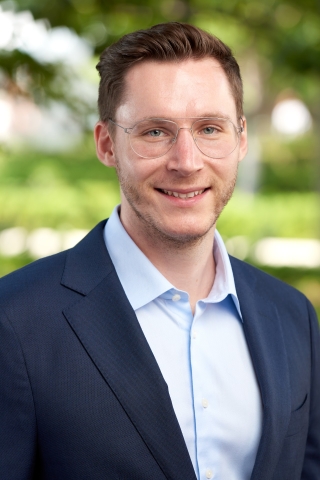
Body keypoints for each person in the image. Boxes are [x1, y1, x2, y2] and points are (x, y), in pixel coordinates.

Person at [0, 22, 319, 480]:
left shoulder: (292, 316)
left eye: (210, 128)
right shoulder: (15, 322)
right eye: (155, 132)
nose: (187, 162)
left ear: (241, 139)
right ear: (108, 144)